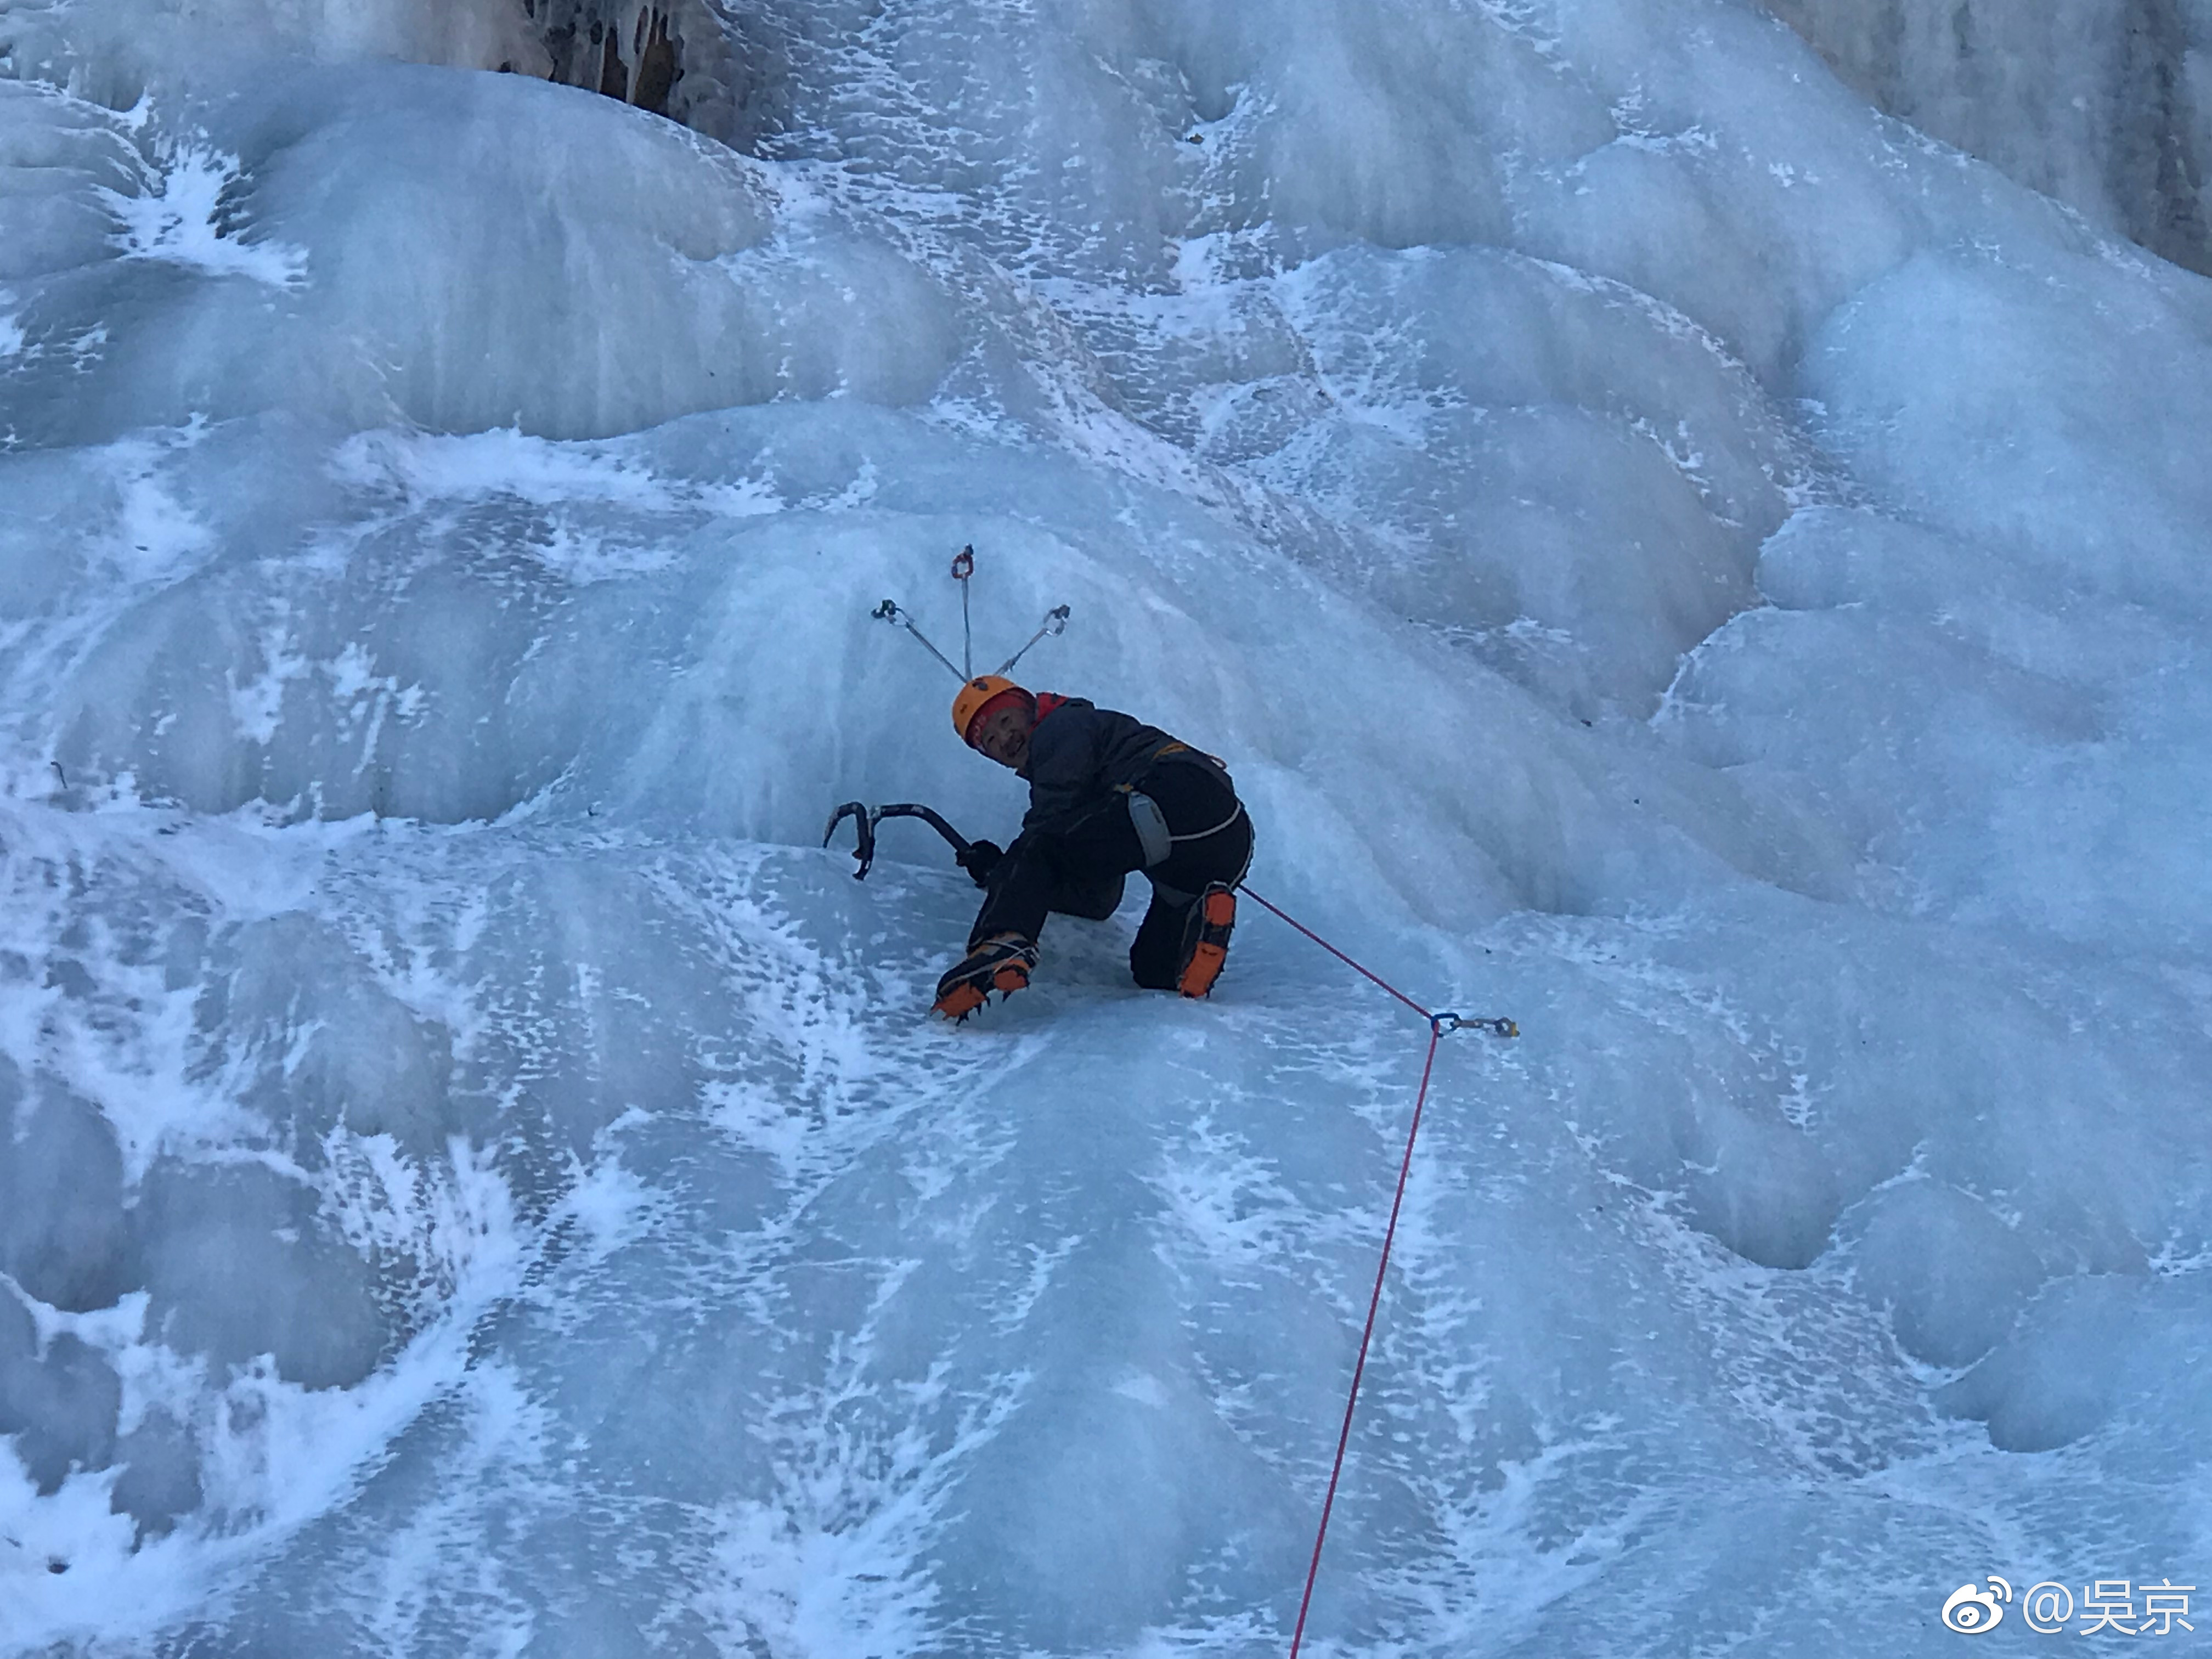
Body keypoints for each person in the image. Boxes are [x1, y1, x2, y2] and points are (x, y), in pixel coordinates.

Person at [933, 675, 1254, 1020]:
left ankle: (1001, 944)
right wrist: (1003, 872)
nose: (1005, 739)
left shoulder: (1062, 725)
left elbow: (1048, 825)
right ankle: (1207, 917)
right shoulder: (1089, 789)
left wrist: (1008, 877)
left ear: (1028, 707)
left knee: (1040, 844)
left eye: (1006, 720)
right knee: (1154, 971)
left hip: (1175, 792)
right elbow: (1095, 898)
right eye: (990, 742)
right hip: (1225, 842)